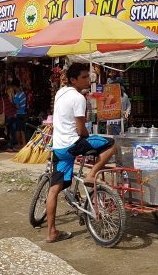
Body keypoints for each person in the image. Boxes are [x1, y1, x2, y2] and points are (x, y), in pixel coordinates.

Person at [45, 63, 116, 243]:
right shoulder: (78, 98)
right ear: (73, 79)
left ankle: (51, 232)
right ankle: (91, 175)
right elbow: (81, 130)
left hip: (59, 147)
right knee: (111, 144)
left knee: (54, 190)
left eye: (88, 76)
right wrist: (88, 135)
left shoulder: (61, 92)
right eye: (84, 77)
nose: (88, 80)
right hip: (73, 143)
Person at [12, 81, 28, 148]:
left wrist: (12, 101)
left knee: (18, 130)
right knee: (22, 130)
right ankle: (24, 143)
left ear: (14, 87)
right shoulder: (23, 93)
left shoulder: (16, 95)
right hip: (24, 113)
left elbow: (17, 106)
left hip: (19, 113)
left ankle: (19, 144)